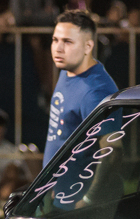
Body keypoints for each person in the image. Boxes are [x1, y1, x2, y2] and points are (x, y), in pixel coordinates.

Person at [43, 10, 118, 163]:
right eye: (55, 40)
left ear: (88, 47)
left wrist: (92, 184)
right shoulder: (68, 69)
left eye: (67, 42)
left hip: (78, 179)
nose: (58, 48)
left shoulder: (95, 92)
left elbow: (112, 150)